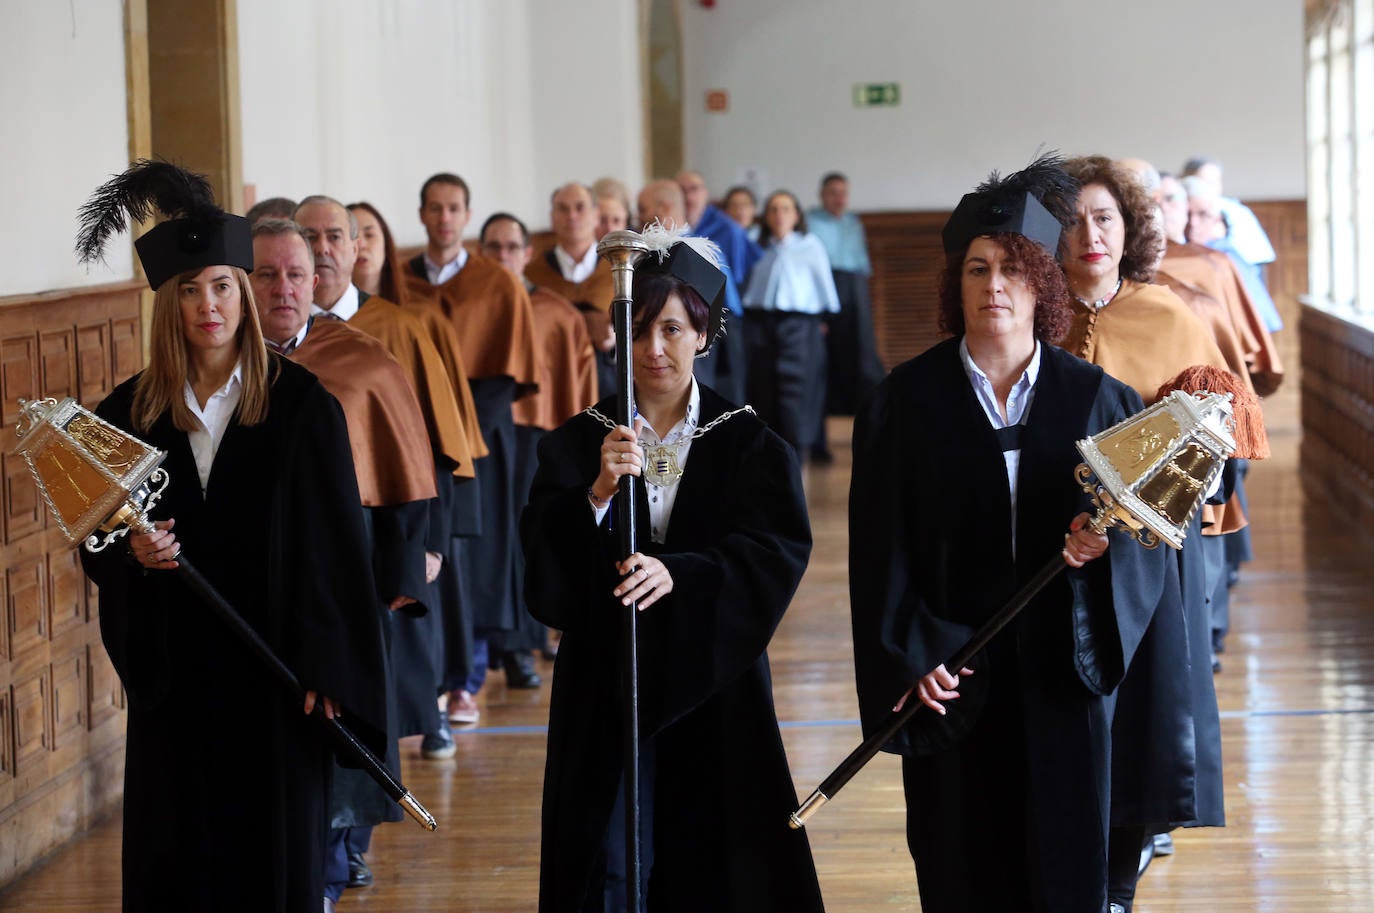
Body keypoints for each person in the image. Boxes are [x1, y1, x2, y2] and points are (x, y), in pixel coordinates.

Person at [850, 155, 1164, 913]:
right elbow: (879, 552)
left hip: (1063, 674)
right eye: (977, 269)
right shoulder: (903, 402)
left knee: (1065, 869)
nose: (994, 285)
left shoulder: (1099, 399)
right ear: (955, 287)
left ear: (1043, 284)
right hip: (952, 674)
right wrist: (909, 657)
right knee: (961, 866)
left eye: (1014, 269)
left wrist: (1103, 547)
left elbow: (1144, 544)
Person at [75, 161, 388, 913]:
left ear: (242, 291)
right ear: (168, 303)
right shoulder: (126, 415)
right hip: (177, 684)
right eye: (189, 290)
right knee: (177, 862)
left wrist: (329, 669)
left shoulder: (302, 407)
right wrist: (133, 554)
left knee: (270, 864)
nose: (208, 305)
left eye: (221, 285)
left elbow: (338, 553)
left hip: (276, 678)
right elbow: (95, 541)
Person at [521, 225, 824, 913]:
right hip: (606, 681)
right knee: (608, 858)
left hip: (713, 676)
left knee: (715, 856)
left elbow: (773, 553)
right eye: (638, 331)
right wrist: (596, 495)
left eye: (672, 330)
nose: (653, 350)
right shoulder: (579, 440)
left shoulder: (749, 442)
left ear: (704, 336)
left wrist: (681, 573)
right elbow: (542, 566)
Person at [249, 218, 439, 906]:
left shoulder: (365, 360)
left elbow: (407, 479)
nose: (283, 288)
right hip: (255, 580)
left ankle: (334, 861)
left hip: (346, 576)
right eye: (267, 275)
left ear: (317, 282)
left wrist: (401, 575)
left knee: (342, 715)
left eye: (296, 275)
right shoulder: (223, 364)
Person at [1059, 154, 1232, 911]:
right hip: (1056, 548)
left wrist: (1143, 501)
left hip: (1149, 550)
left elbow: (1217, 437)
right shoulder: (1036, 318)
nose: (1089, 235)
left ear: (1128, 228)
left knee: (1141, 722)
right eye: (1072, 221)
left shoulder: (1169, 315)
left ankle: (1118, 887)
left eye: (1104, 218)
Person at [401, 172, 545, 699]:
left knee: (480, 552)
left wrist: (459, 431)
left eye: (453, 208)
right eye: (435, 208)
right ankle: (437, 668)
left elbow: (508, 371)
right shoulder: (400, 280)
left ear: (466, 215)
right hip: (414, 437)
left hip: (480, 435)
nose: (444, 218)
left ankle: (477, 666)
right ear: (422, 214)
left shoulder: (498, 283)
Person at [351, 198, 490, 727]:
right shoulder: (310, 331)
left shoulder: (411, 322)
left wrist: (439, 530)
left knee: (429, 596)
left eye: (368, 233)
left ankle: (447, 693)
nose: (359, 246)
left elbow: (443, 428)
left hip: (414, 488)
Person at [480, 211, 598, 669]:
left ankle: (527, 642)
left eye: (512, 247)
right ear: (481, 253)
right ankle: (490, 645)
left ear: (527, 254)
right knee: (488, 538)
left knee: (532, 534)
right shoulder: (470, 309)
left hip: (538, 435)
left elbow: (580, 383)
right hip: (483, 433)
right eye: (494, 247)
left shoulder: (556, 311)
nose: (503, 256)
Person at [740, 189, 840, 456]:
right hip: (760, 323)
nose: (779, 215)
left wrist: (822, 319)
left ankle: (798, 453)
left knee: (798, 391)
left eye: (785, 209)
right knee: (763, 388)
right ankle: (767, 453)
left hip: (800, 324)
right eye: (773, 209)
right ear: (766, 216)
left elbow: (825, 291)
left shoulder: (810, 245)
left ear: (796, 215)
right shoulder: (756, 243)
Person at [806, 171, 885, 459]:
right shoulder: (810, 222)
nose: (839, 198)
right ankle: (818, 443)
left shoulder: (853, 222)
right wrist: (818, 316)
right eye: (833, 193)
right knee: (822, 369)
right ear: (822, 195)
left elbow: (861, 268)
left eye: (843, 193)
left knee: (867, 367)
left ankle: (875, 438)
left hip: (856, 295)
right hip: (825, 296)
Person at [524, 182, 619, 397]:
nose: (572, 216)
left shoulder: (618, 269)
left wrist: (615, 337)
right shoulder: (532, 274)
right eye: (563, 209)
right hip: (551, 386)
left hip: (609, 386)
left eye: (580, 207)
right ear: (552, 217)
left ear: (595, 215)